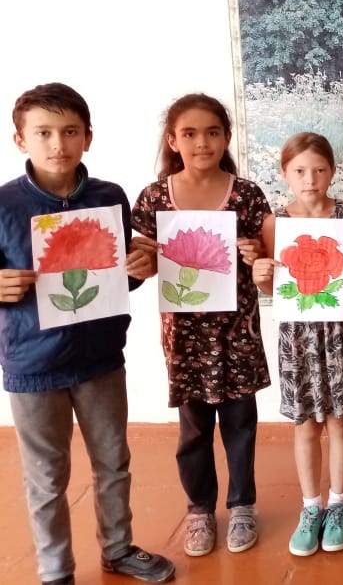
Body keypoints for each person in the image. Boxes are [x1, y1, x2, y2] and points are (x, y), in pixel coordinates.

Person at [0, 83, 175, 585]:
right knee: (46, 475)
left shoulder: (109, 196)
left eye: (70, 131)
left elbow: (118, 277)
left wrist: (141, 267)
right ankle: (55, 570)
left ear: (88, 137)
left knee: (114, 460)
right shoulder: (4, 205)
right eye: (44, 133)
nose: (58, 144)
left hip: (101, 355)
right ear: (20, 140)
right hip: (33, 362)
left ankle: (118, 549)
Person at [131, 94, 271, 557]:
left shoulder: (247, 195)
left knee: (240, 423)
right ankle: (199, 509)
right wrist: (143, 262)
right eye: (189, 133)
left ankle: (243, 505)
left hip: (238, 332)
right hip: (185, 337)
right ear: (173, 140)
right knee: (193, 429)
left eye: (212, 132)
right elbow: (141, 261)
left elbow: (270, 261)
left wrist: (257, 255)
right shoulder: (155, 197)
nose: (202, 142)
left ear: (226, 137)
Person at [251, 133, 343, 557]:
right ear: (285, 173)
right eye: (300, 171)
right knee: (305, 425)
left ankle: (338, 503)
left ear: (332, 171)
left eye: (319, 170)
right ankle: (310, 506)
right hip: (297, 337)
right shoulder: (275, 223)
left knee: (339, 422)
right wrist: (261, 275)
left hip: (339, 333)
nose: (310, 179)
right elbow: (271, 286)